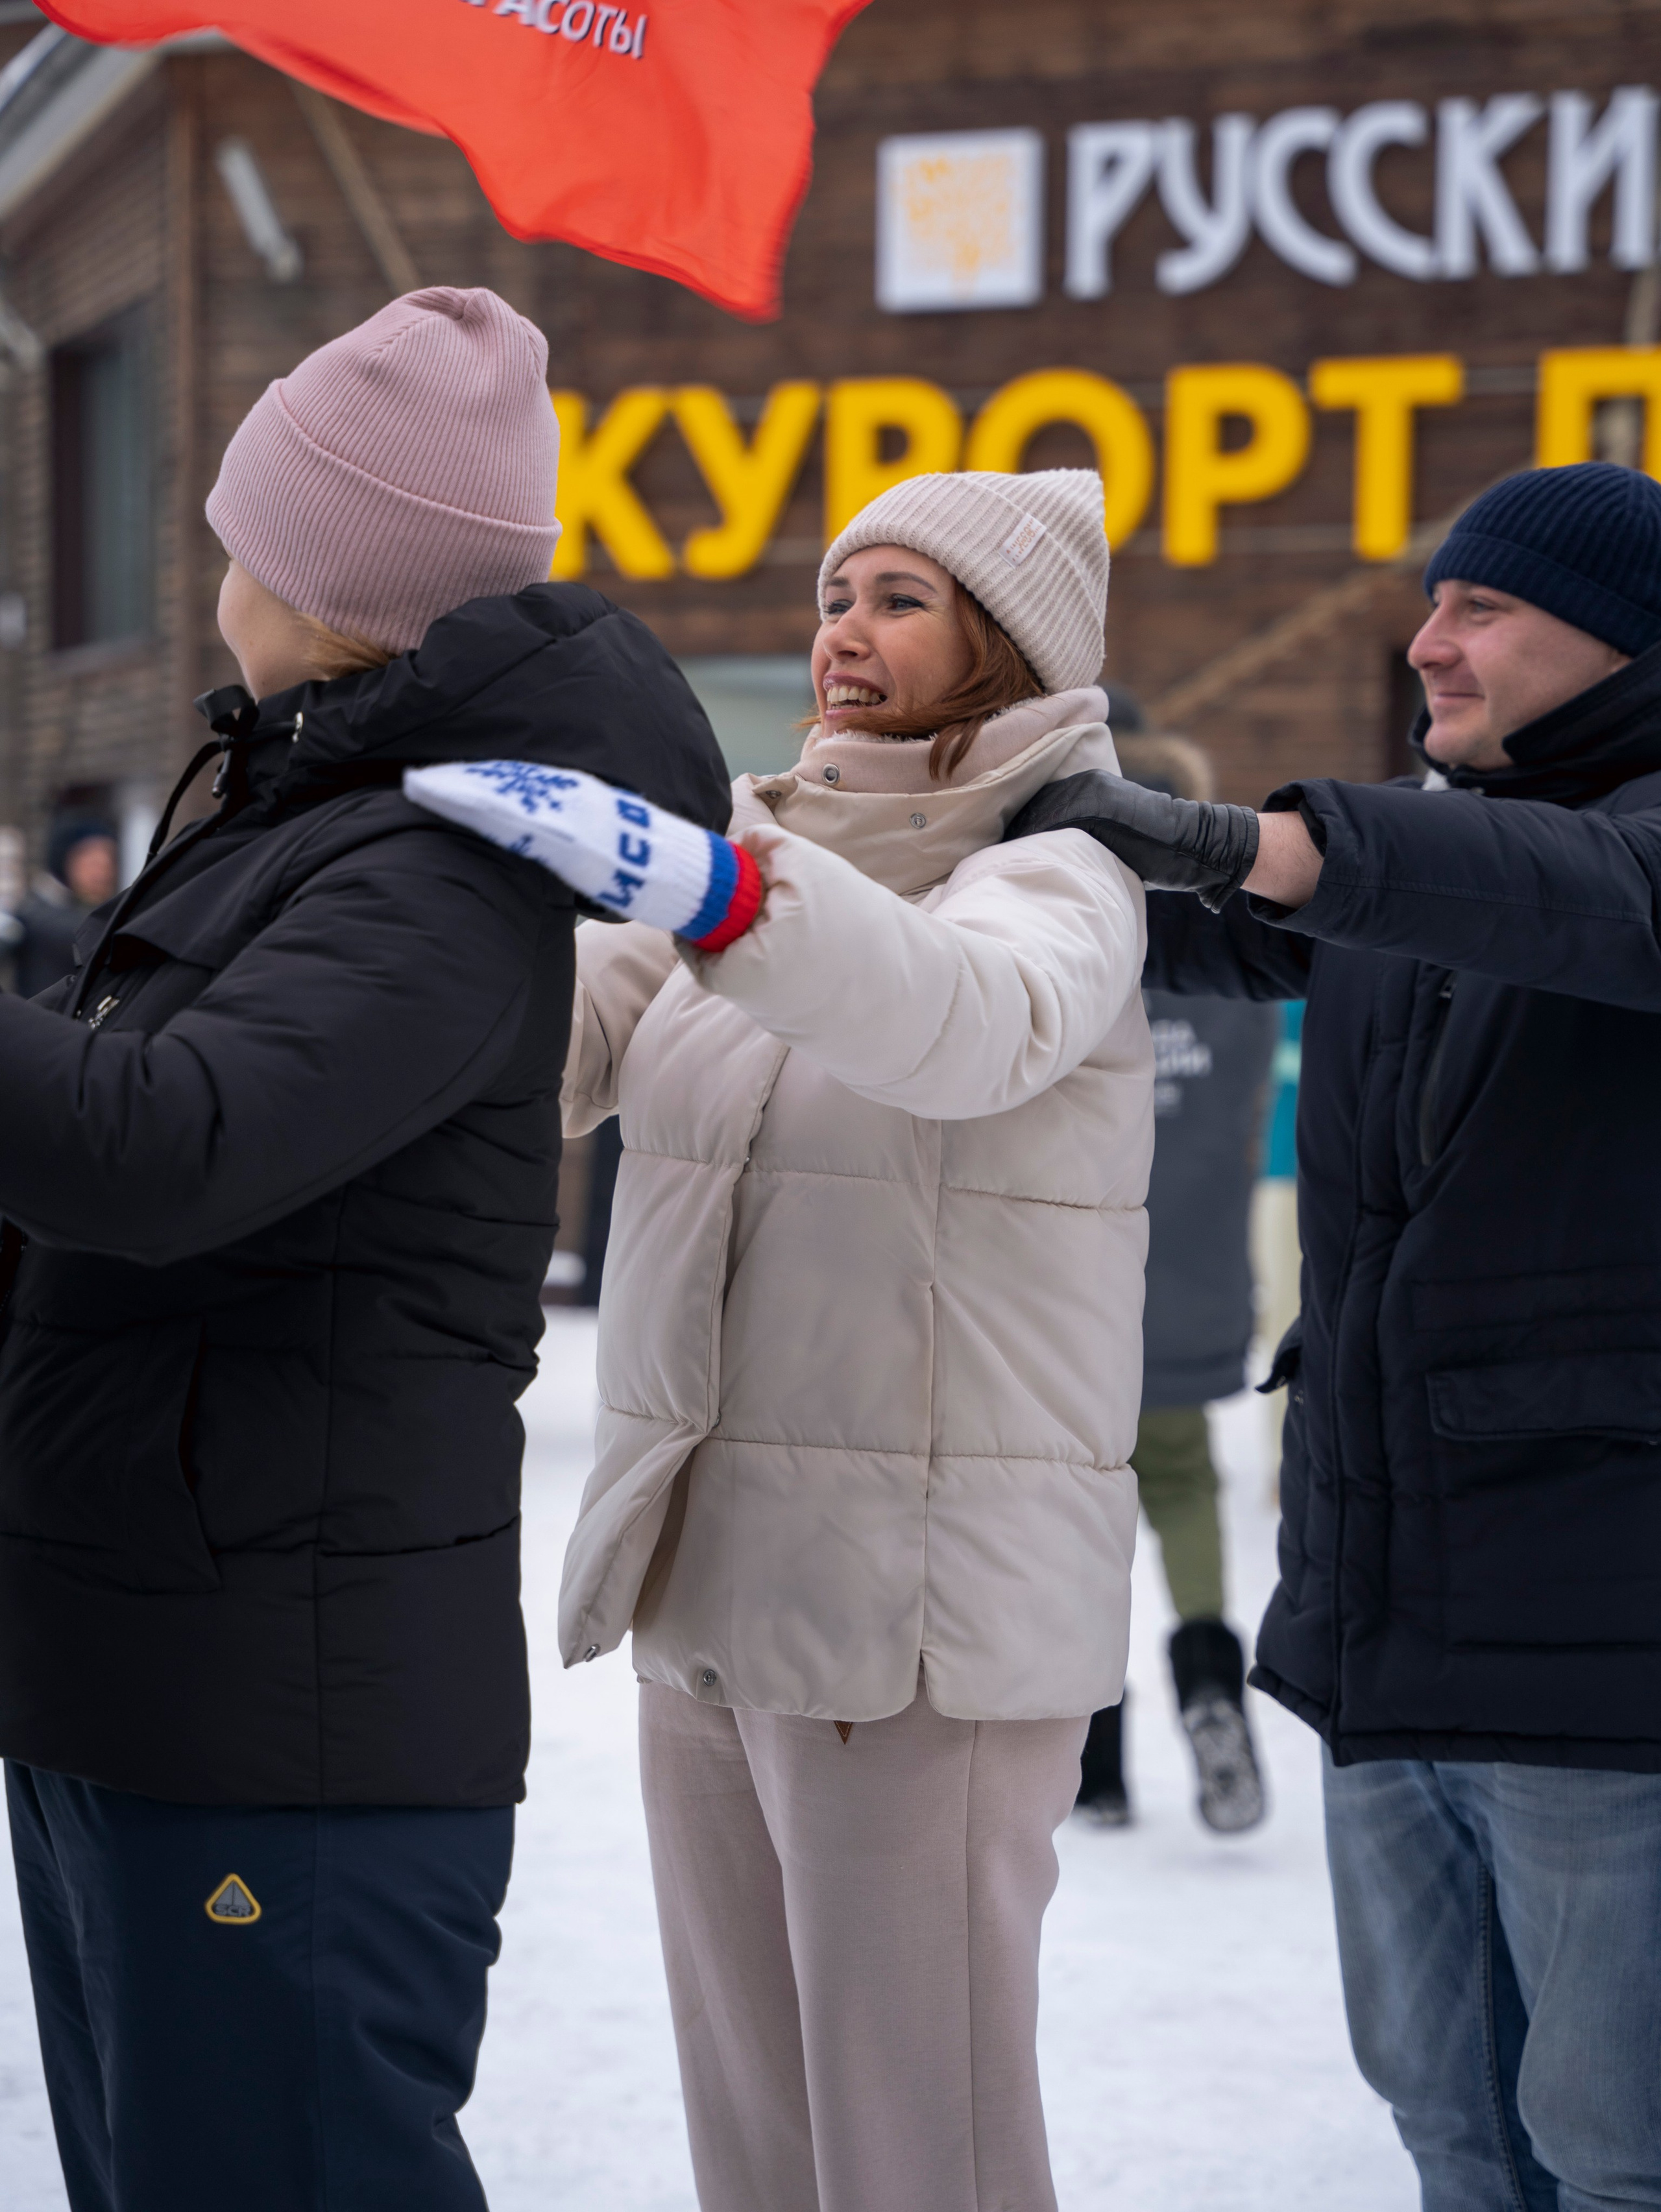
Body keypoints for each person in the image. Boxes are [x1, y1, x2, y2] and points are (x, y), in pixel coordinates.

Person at [0, 287, 729, 2212]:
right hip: (136, 1671)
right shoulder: (293, 816)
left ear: (329, 574)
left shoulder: (426, 876)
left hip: (280, 1720)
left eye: (248, 517)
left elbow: (173, 1148)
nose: (214, 549)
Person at [411, 468, 1154, 2212]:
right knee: (755, 2152)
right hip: (719, 1596)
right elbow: (526, 1061)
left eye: (903, 599)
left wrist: (721, 897)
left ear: (1005, 642)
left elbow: (958, 1024)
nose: (847, 632)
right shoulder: (763, 859)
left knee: (924, 2159)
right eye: (837, 595)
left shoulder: (1066, 872)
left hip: (916, 1636)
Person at [1008, 460, 1661, 2209]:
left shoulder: (1575, 868)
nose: (1427, 642)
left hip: (1612, 1683)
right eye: (1433, 601)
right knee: (1453, 2139)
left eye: (1483, 610)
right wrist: (943, 840)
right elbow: (1204, 930)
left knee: (1617, 2157)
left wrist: (1246, 834)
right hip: (1396, 1649)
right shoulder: (1412, 873)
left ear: (1619, 644)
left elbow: (1564, 894)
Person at [1074, 731, 1274, 1834]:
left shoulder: (1071, 947)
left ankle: (1095, 1758)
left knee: (1082, 1508)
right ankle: (1209, 1687)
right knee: (1185, 1487)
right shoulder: (1238, 968)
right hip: (1195, 1274)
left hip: (1065, 1286)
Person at [2, 813, 120, 996]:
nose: (102, 873)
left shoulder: (94, 909)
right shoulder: (37, 916)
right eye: (91, 861)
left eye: (107, 861)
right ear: (65, 860)